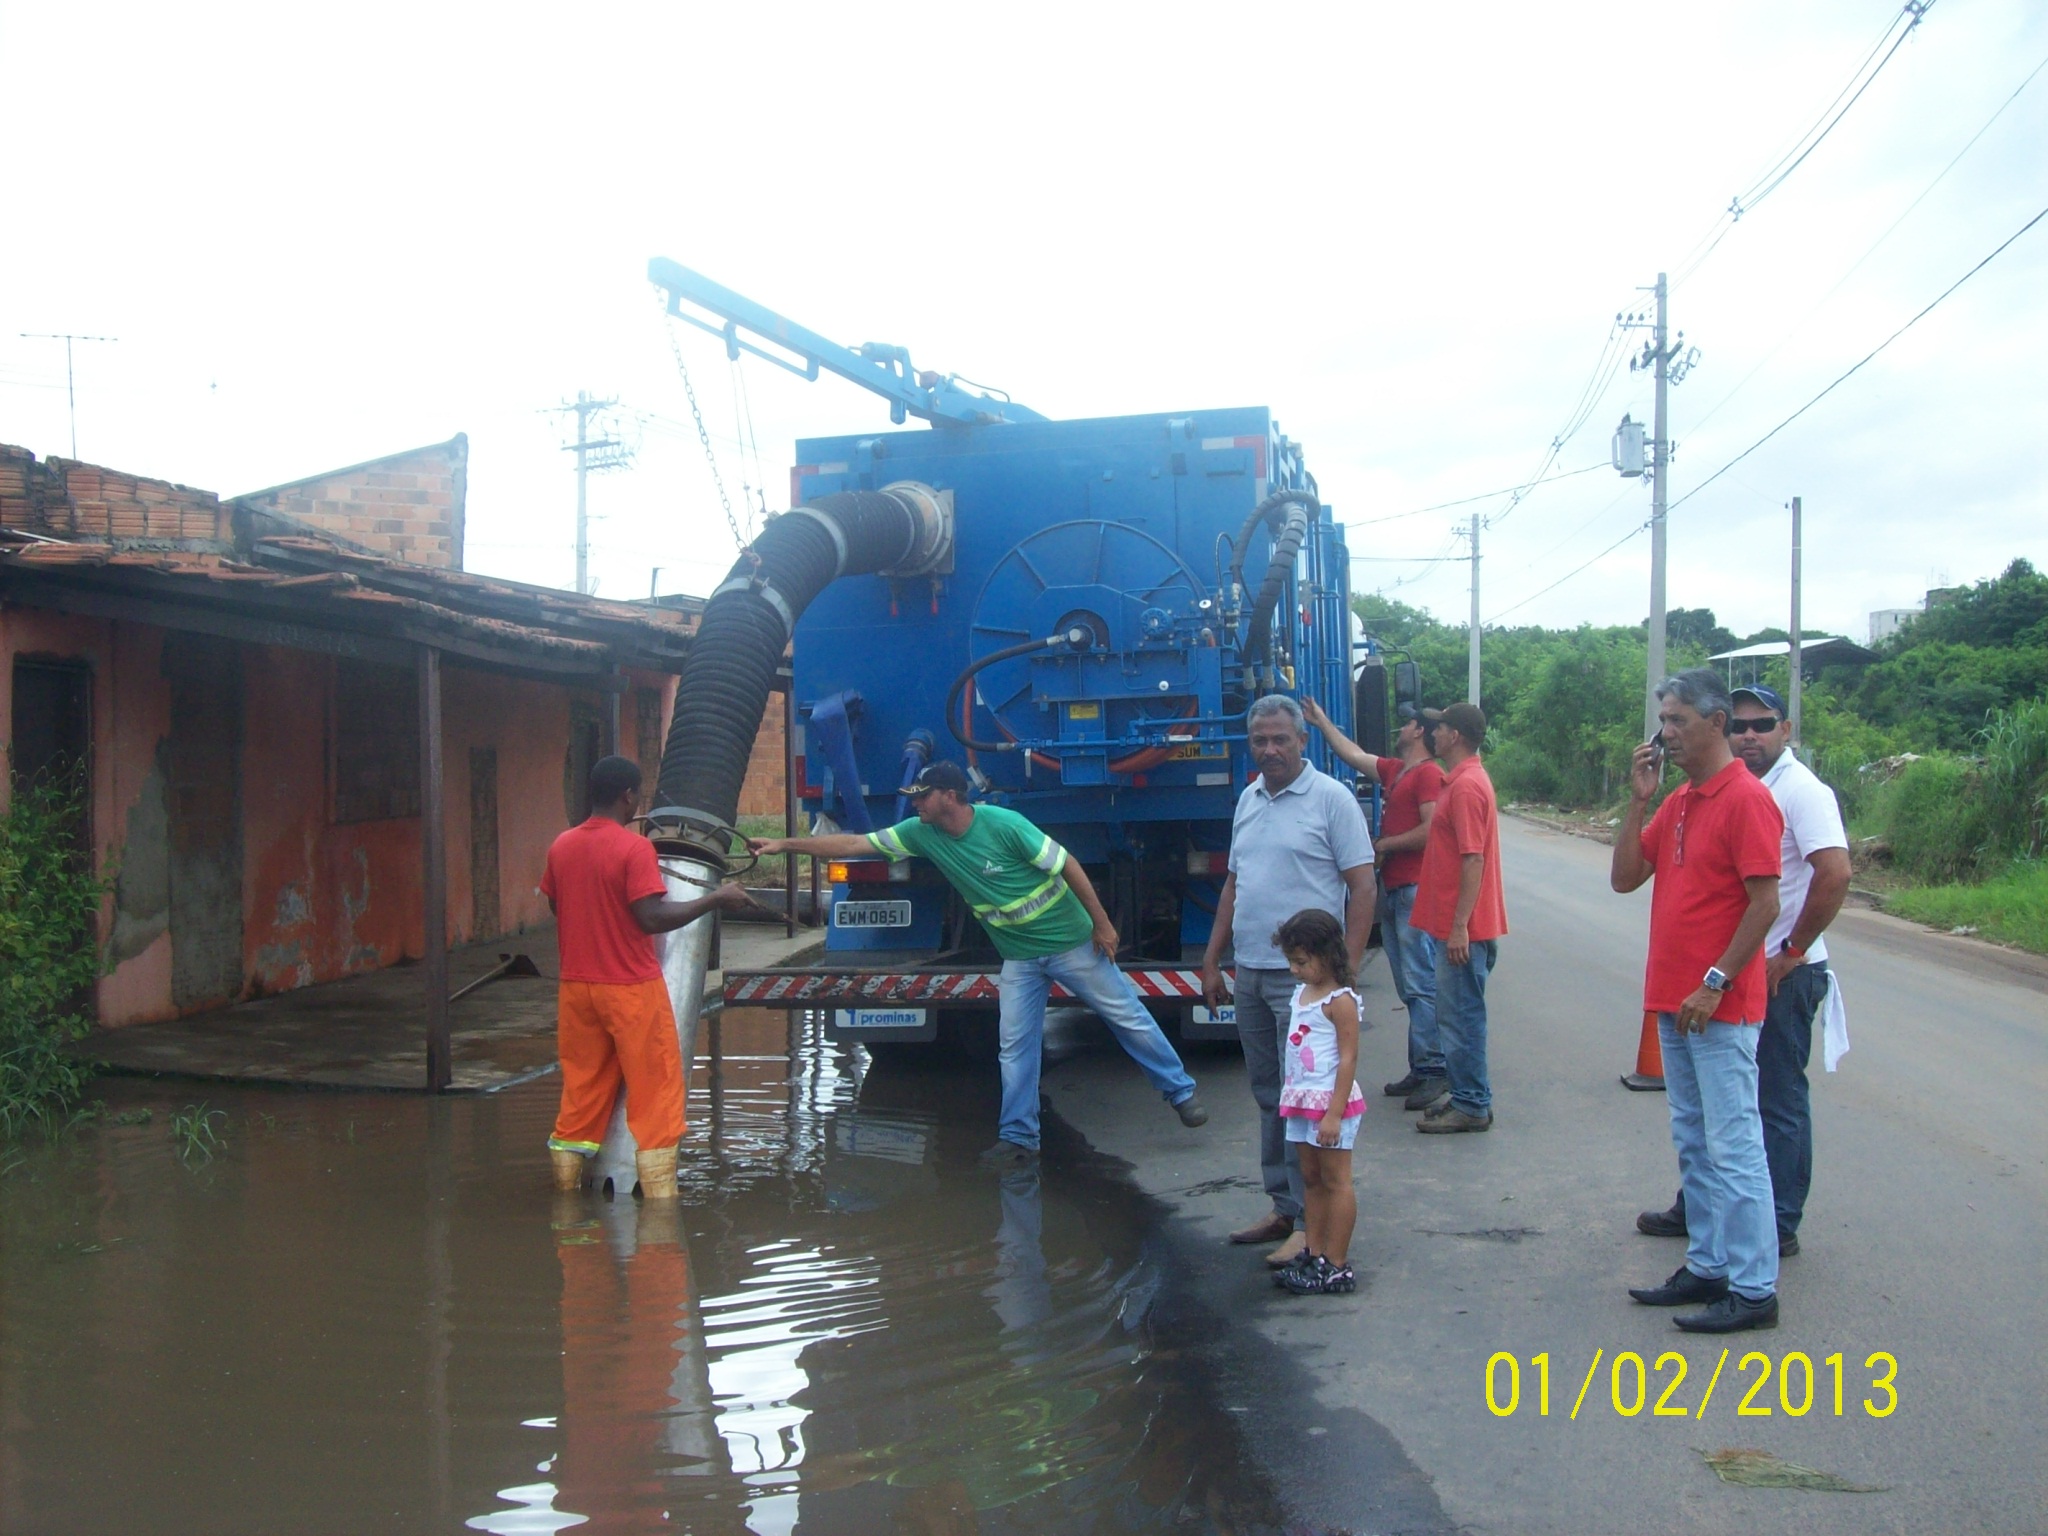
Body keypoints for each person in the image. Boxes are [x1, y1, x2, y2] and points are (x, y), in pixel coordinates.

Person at [750, 761, 1206, 1165]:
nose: (916, 806)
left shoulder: (1004, 824)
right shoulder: (919, 835)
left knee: (1126, 1016)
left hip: (1071, 944)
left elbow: (1067, 866)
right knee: (1015, 1048)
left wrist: (1103, 926)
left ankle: (1181, 1093)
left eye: (923, 797)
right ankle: (1019, 1139)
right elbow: (855, 843)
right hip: (1020, 958)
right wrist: (784, 846)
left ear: (950, 796)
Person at [1636, 684, 1850, 1257]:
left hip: (1772, 970)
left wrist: (1793, 952)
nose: (1750, 736)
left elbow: (1832, 874)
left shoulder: (1797, 792)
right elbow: (1633, 871)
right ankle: (1710, 1232)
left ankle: (1773, 1227)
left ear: (1786, 730)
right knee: (1711, 1121)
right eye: (1743, 727)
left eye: (1763, 724)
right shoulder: (1699, 792)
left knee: (1769, 1106)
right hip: (1729, 970)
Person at [1612, 670, 1785, 1334]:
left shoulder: (1746, 799)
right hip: (1672, 1000)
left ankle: (1754, 1287)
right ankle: (1709, 1264)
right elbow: (1626, 878)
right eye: (1665, 719)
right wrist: (1640, 802)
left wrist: (1715, 982)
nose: (1667, 732)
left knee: (1735, 1143)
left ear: (1717, 723)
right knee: (1695, 1140)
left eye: (1679, 719)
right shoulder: (1680, 802)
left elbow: (1765, 903)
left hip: (1719, 1004)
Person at [1202, 695, 1376, 1270]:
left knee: (1308, 1103)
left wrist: (1339, 978)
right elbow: (1233, 884)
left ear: (1303, 740)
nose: (1270, 750)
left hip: (1306, 985)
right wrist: (1212, 960)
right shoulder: (1248, 799)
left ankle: (1310, 1226)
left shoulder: (1332, 799)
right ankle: (1283, 1207)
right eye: (1260, 741)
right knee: (1269, 1097)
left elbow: (1362, 886)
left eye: (1280, 739)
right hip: (1251, 971)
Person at [544, 756, 756, 1198]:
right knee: (657, 1095)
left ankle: (565, 1202)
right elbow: (652, 917)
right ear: (628, 796)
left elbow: (555, 905)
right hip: (630, 990)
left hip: (577, 989)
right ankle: (660, 1216)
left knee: (581, 1092)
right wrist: (715, 898)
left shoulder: (561, 845)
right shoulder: (634, 849)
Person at [1302, 697, 1448, 1110]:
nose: (1399, 729)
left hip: (1416, 888)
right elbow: (1352, 754)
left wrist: (1383, 845)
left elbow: (1431, 829)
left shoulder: (1428, 775)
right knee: (1409, 984)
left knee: (1421, 984)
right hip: (1399, 888)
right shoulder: (1399, 772)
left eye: (1406, 725)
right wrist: (1323, 722)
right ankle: (1423, 1066)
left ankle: (1435, 1069)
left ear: (1419, 731)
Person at [1410, 702, 1509, 1133]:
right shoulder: (1462, 781)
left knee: (1461, 1017)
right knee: (1457, 1015)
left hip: (1463, 931)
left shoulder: (1467, 786)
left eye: (1441, 726)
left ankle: (1471, 1103)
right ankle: (1468, 1093)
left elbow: (1473, 860)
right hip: (1460, 927)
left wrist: (1458, 928)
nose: (1434, 732)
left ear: (1457, 737)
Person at [1272, 909, 1365, 1296]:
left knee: (1335, 1180)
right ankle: (1314, 1250)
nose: (1295, 970)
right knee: (1310, 1178)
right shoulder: (1301, 994)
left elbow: (1348, 1058)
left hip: (1331, 1103)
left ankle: (1336, 1263)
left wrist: (1334, 1114)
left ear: (1327, 955)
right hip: (1301, 1099)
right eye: (1291, 962)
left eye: (1301, 962)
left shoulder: (1340, 1001)